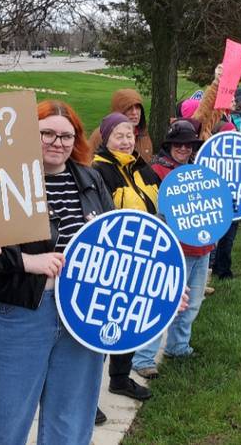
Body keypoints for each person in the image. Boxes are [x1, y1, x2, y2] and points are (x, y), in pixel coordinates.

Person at [0, 100, 116, 445]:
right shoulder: (1, 182)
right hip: (19, 313)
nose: (57, 142)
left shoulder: (91, 180)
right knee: (5, 420)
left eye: (66, 135)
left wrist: (161, 290)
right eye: (46, 132)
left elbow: (115, 245)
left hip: (81, 313)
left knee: (71, 419)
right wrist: (26, 263)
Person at [132, 118, 212, 379]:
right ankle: (143, 358)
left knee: (192, 304)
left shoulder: (199, 170)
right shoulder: (156, 171)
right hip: (173, 250)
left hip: (201, 248)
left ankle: (178, 347)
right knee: (163, 304)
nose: (184, 149)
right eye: (179, 144)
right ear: (169, 145)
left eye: (188, 145)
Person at [92, 112, 161, 401]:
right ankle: (87, 396)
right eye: (119, 135)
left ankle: (120, 379)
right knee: (97, 331)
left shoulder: (142, 168)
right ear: (106, 138)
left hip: (143, 257)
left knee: (130, 321)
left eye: (130, 135)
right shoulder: (97, 171)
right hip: (111, 260)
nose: (125, 141)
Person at [89, 89, 154, 162]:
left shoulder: (143, 133)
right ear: (118, 111)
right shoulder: (101, 134)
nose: (134, 112)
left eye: (137, 107)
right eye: (129, 108)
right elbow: (88, 164)